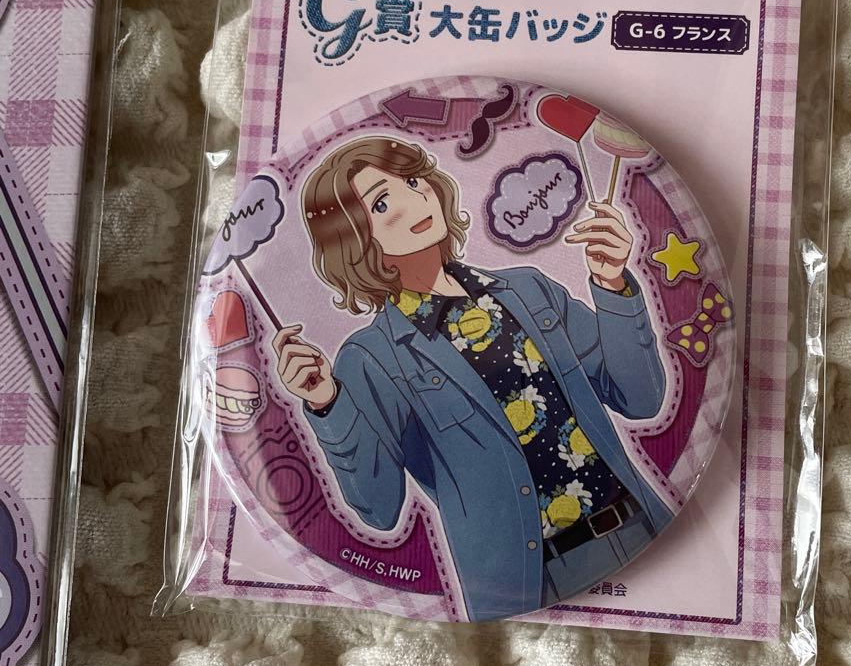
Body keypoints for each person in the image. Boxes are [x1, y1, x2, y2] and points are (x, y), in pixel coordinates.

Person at [274, 135, 671, 621]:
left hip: (646, 532)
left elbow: (640, 398)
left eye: (413, 181)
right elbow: (379, 509)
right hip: (533, 587)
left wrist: (612, 285)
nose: (414, 200)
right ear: (354, 241)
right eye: (381, 203)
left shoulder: (529, 290)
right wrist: (326, 403)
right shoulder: (370, 358)